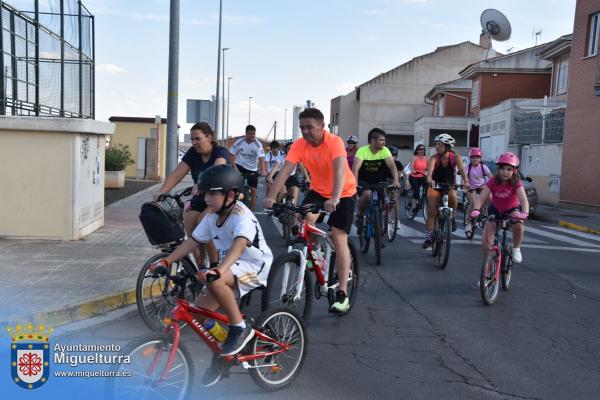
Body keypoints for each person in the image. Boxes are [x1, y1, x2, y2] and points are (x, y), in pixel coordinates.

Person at [150, 164, 273, 385]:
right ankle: (224, 356)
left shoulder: (241, 216)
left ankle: (239, 328)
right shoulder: (211, 217)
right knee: (199, 316)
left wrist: (218, 270)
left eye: (212, 193)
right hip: (230, 268)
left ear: (231, 195)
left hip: (254, 266)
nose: (206, 198)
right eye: (205, 192)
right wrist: (167, 260)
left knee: (216, 281)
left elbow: (239, 246)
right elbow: (191, 242)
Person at [264, 107, 357, 313]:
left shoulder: (334, 142)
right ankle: (315, 255)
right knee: (302, 218)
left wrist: (335, 197)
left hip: (344, 192)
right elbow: (285, 170)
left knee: (337, 235)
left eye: (310, 127)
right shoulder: (299, 145)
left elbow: (341, 169)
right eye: (302, 127)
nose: (305, 131)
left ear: (322, 127)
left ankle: (342, 293)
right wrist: (271, 195)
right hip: (318, 190)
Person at [154, 122, 227, 266]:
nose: (194, 143)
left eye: (197, 139)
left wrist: (201, 183)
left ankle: (214, 264)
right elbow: (177, 174)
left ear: (209, 137)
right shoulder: (193, 153)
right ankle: (199, 268)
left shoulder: (220, 151)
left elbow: (217, 168)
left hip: (218, 198)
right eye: (192, 140)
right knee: (190, 226)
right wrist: (162, 191)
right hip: (201, 198)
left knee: (204, 222)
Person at [470, 152, 529, 263]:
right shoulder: (493, 181)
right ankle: (488, 270)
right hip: (495, 210)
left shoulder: (516, 183)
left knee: (518, 223)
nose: (505, 172)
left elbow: (523, 200)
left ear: (515, 170)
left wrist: (525, 212)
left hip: (511, 210)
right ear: (498, 169)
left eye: (509, 169)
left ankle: (516, 248)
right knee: (485, 243)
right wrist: (476, 210)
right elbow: (482, 198)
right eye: (502, 169)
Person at [422, 133, 470, 250]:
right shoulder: (434, 158)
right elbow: (430, 171)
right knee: (432, 210)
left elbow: (463, 171)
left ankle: (452, 217)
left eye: (439, 145)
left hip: (449, 184)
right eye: (436, 144)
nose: (436, 147)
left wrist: (466, 181)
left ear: (447, 147)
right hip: (435, 184)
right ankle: (429, 237)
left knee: (453, 195)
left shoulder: (455, 157)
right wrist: (429, 179)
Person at [352, 128, 400, 229]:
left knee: (381, 203)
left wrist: (396, 180)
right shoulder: (362, 151)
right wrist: (355, 184)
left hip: (379, 181)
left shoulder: (385, 151)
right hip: (363, 181)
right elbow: (355, 169)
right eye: (381, 140)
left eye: (384, 140)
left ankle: (378, 227)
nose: (384, 142)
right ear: (373, 141)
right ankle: (359, 215)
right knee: (367, 194)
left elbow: (392, 166)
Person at [229, 125, 266, 211]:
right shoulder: (240, 142)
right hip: (240, 166)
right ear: (246, 134)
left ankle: (252, 212)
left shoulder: (258, 144)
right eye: (250, 133)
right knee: (236, 189)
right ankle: (233, 208)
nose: (252, 135)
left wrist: (263, 170)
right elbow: (231, 153)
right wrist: (234, 167)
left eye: (254, 133)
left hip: (252, 169)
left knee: (253, 191)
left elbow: (261, 158)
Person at [464, 147, 493, 234]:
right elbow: (464, 178)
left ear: (480, 158)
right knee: (473, 203)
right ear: (470, 158)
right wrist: (465, 185)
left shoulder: (483, 167)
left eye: (477, 157)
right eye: (473, 157)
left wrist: (493, 185)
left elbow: (491, 177)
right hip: (471, 188)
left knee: (491, 198)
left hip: (482, 187)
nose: (475, 159)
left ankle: (484, 214)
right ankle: (468, 223)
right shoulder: (468, 167)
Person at [408, 144, 428, 211]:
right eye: (420, 149)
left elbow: (429, 168)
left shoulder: (427, 158)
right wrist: (413, 171)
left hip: (423, 176)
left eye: (423, 149)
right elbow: (411, 166)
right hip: (414, 176)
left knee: (428, 189)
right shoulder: (414, 157)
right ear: (417, 150)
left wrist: (430, 173)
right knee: (417, 190)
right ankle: (414, 207)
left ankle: (423, 202)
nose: (422, 150)